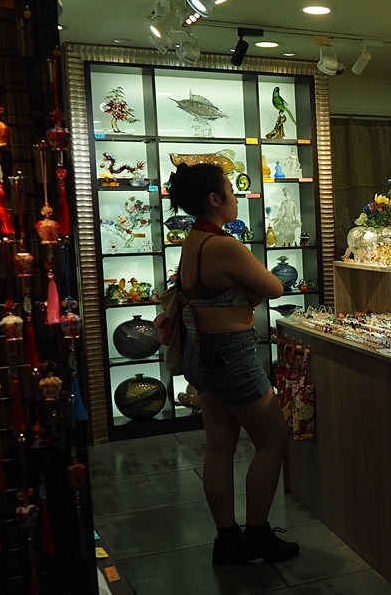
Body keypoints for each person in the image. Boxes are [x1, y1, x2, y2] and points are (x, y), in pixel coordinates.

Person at [167, 162, 298, 565]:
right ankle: (257, 534)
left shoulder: (193, 239)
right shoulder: (223, 244)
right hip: (232, 355)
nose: (236, 196)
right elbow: (275, 286)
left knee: (219, 446)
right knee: (273, 439)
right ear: (214, 198)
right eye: (230, 188)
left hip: (200, 354)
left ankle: (226, 540)